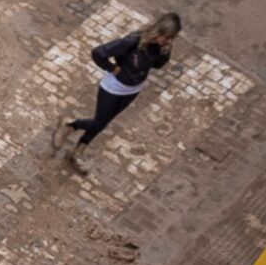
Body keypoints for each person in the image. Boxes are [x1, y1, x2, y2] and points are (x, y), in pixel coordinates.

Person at [61, 14, 180, 169]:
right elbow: (98, 53)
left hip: (132, 90)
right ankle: (71, 125)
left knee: (103, 122)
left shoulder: (159, 46)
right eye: (167, 37)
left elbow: (156, 65)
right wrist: (112, 68)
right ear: (159, 31)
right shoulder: (133, 41)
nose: (169, 41)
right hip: (113, 88)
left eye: (172, 38)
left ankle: (78, 151)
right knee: (98, 122)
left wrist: (165, 53)